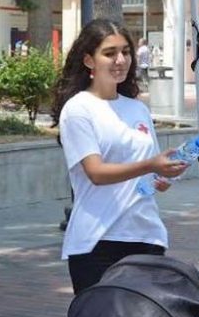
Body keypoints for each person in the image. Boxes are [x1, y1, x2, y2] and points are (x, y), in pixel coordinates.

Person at [50, 18, 188, 294]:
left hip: (147, 237)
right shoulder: (78, 109)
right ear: (89, 60)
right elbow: (96, 173)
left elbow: (145, 178)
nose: (120, 60)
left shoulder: (138, 109)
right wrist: (150, 165)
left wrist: (161, 177)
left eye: (125, 52)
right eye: (110, 53)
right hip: (98, 243)